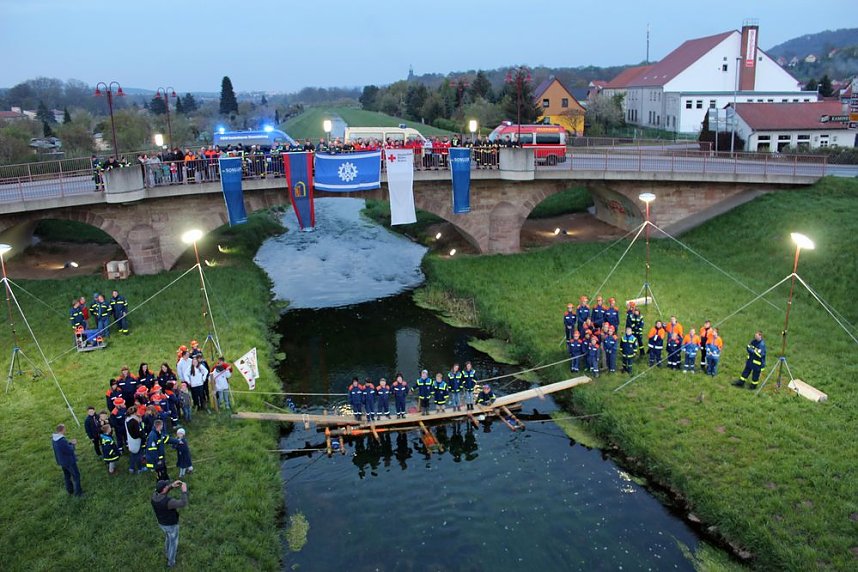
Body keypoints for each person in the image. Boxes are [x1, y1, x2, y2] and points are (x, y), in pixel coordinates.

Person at [151, 479, 189, 568]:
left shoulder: (154, 496)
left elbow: (163, 492)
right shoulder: (169, 502)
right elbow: (183, 503)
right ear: (164, 489)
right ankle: (171, 562)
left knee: (168, 537)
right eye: (166, 485)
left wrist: (172, 486)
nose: (168, 485)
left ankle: (167, 553)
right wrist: (184, 491)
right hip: (171, 525)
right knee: (173, 543)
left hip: (161, 523)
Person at [52, 424, 83, 496]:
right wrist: (73, 444)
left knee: (67, 476)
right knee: (76, 476)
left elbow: (62, 448)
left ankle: (70, 490)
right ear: (62, 430)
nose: (65, 430)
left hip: (62, 461)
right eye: (65, 429)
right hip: (69, 461)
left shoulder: (54, 439)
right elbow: (70, 450)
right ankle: (78, 493)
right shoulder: (62, 440)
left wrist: (69, 443)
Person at [125, 407, 146, 474]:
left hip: (130, 440)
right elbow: (138, 432)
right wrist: (143, 436)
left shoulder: (127, 419)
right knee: (138, 455)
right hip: (136, 440)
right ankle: (140, 468)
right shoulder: (134, 421)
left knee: (133, 454)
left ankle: (131, 468)